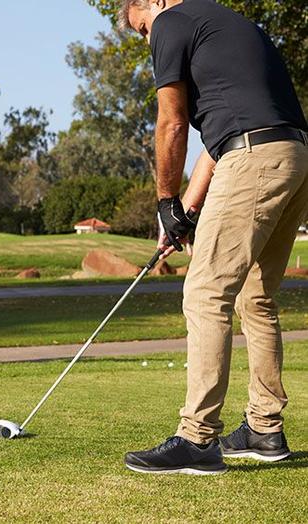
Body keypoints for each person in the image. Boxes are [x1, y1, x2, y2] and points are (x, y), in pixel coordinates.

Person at [116, 0, 308, 475]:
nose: (148, 40)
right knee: (255, 296)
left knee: (204, 292)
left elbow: (172, 121)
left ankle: (197, 438)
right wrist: (183, 208)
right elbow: (218, 143)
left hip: (255, 158)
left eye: (142, 28)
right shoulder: (230, 25)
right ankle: (264, 428)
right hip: (294, 155)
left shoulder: (170, 24)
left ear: (154, 3)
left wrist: (163, 199)